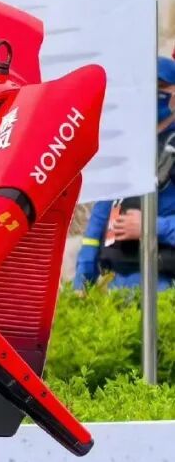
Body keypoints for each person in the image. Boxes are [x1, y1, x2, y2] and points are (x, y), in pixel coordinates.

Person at [73, 56, 175, 291]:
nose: (152, 94)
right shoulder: (125, 146)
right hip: (115, 284)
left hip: (163, 284)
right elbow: (98, 219)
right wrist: (83, 278)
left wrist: (151, 227)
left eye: (161, 86)